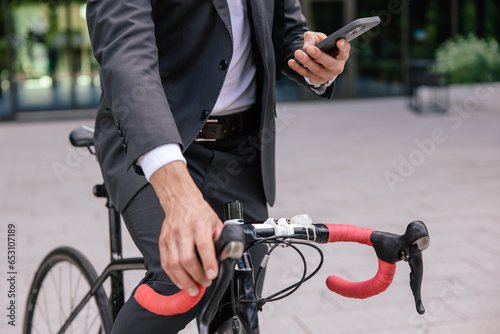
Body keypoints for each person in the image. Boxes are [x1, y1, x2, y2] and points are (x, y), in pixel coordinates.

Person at [86, 0, 350, 332]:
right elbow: (125, 55)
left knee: (239, 291)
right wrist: (178, 194)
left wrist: (315, 59)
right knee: (184, 278)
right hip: (153, 141)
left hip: (242, 151)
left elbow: (287, 33)